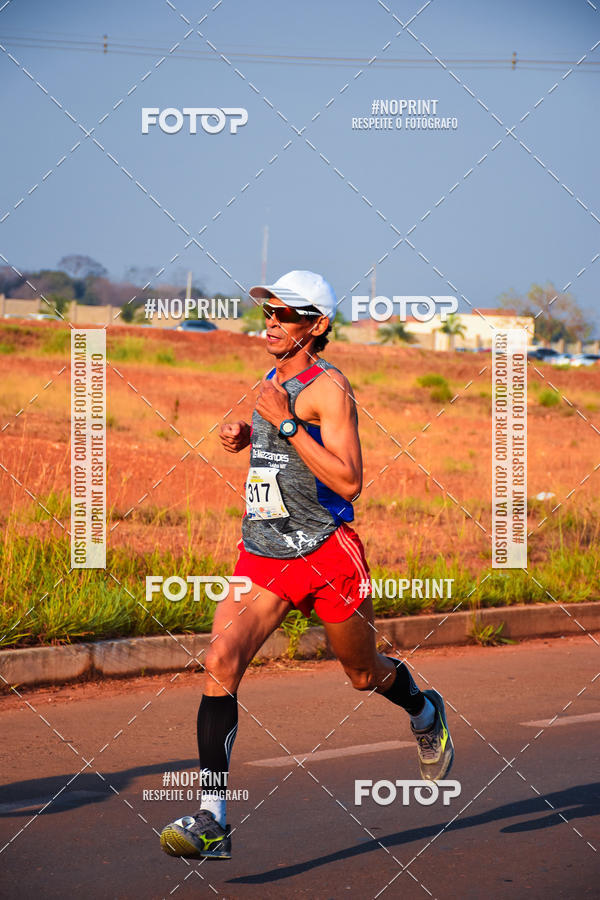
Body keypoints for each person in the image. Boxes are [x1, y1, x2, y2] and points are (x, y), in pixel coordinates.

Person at [160, 270, 454, 860]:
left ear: (316, 326)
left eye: (286, 314)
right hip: (263, 552)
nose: (271, 322)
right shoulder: (272, 378)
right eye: (268, 312)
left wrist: (287, 423)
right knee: (219, 659)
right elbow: (284, 448)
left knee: (363, 675)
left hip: (325, 554)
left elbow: (350, 479)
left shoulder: (328, 389)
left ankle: (425, 710)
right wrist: (252, 433)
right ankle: (213, 820)